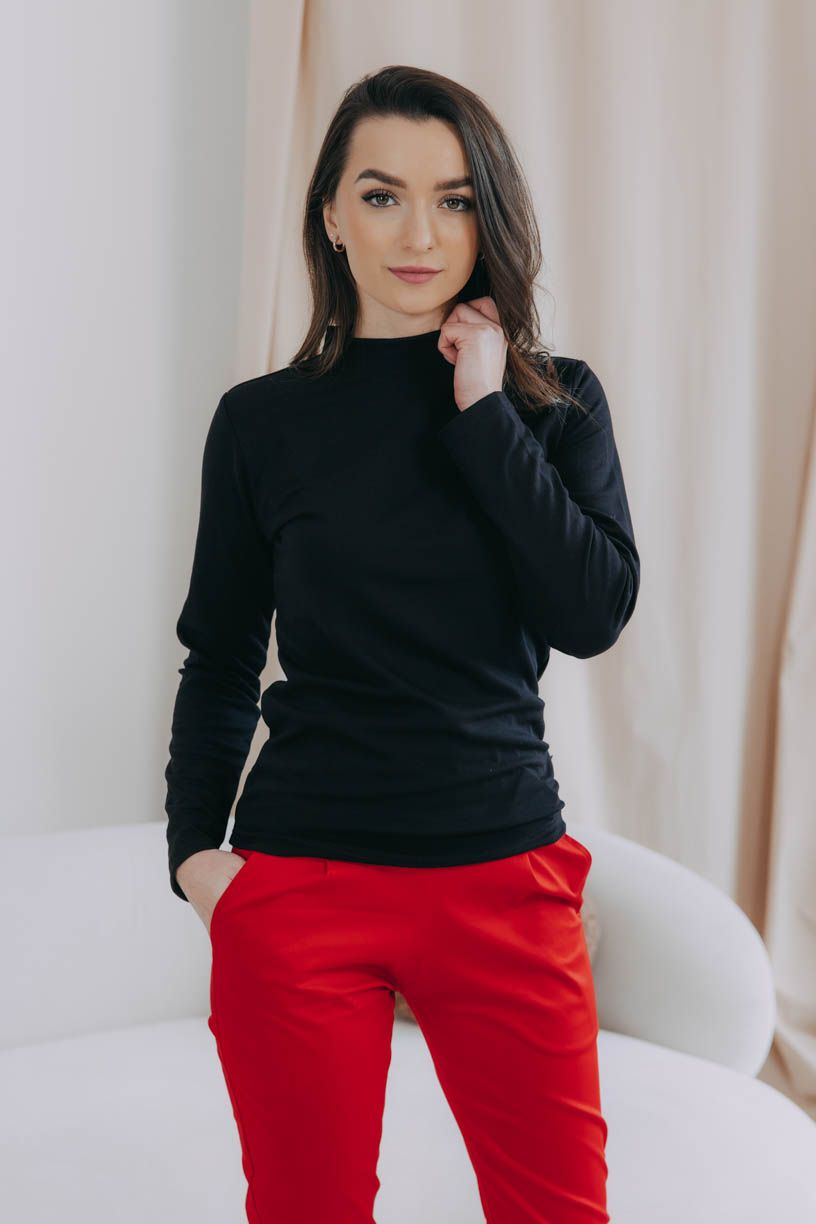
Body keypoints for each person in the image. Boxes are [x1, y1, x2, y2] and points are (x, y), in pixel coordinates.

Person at [164, 63, 639, 1224]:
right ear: (331, 214)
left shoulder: (551, 407)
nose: (420, 235)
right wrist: (193, 858)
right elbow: (221, 655)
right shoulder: (261, 423)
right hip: (302, 885)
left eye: (454, 198)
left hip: (504, 876)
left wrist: (485, 411)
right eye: (382, 196)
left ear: (491, 213)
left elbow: (591, 614)